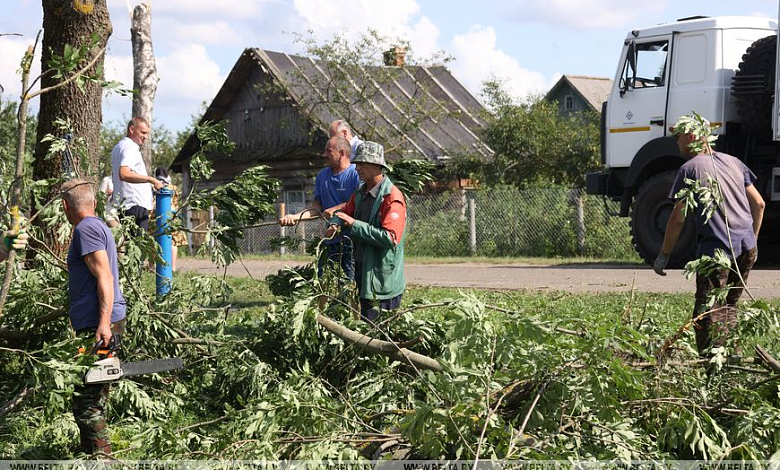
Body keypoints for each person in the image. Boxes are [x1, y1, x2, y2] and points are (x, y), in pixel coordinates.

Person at [653, 113, 765, 355]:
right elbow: (759, 204)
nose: (676, 143)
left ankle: (711, 372)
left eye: (679, 137)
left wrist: (664, 254)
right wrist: (751, 241)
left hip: (717, 253)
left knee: (706, 314)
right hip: (747, 248)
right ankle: (731, 361)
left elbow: (677, 218)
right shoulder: (734, 162)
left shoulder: (689, 169)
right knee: (728, 308)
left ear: (692, 137)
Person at [61, 178, 127, 456]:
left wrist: (103, 323)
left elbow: (105, 277)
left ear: (65, 206)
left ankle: (103, 459)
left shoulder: (85, 230)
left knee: (86, 401)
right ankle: (90, 456)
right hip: (100, 324)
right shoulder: (98, 225)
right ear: (95, 202)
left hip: (97, 327)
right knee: (89, 394)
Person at [331, 141, 407, 321]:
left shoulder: (391, 197)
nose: (357, 168)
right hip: (364, 274)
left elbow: (390, 238)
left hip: (383, 280)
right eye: (357, 163)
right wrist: (334, 223)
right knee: (366, 327)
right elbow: (344, 213)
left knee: (379, 333)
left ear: (377, 165)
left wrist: (354, 225)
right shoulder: (360, 193)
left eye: (362, 163)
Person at [279, 136, 361, 282]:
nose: (324, 155)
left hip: (353, 241)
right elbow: (317, 208)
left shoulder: (356, 173)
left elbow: (359, 202)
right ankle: (323, 305)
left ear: (342, 153)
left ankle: (348, 304)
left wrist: (335, 210)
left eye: (328, 151)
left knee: (350, 282)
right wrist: (294, 217)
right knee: (323, 280)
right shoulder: (322, 176)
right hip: (330, 240)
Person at [111, 117, 164, 234]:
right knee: (137, 247)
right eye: (143, 132)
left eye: (147, 133)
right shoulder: (130, 148)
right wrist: (152, 180)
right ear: (132, 129)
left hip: (126, 205)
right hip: (134, 205)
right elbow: (124, 173)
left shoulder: (119, 147)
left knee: (132, 247)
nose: (146, 137)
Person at [153, 167, 187, 272]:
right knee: (173, 242)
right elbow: (176, 201)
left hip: (156, 216)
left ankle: (151, 266)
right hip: (172, 216)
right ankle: (173, 267)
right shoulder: (173, 187)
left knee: (153, 241)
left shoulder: (154, 186)